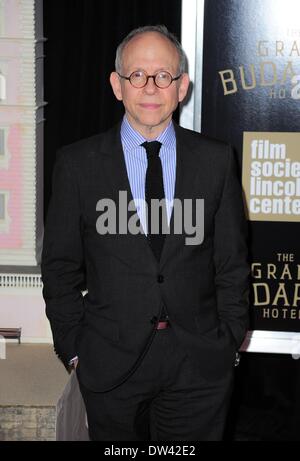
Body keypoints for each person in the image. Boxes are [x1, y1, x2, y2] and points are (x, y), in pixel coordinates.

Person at [41, 25, 249, 441]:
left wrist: (226, 340)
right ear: (117, 85)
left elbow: (232, 264)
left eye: (163, 76)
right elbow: (59, 268)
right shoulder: (78, 165)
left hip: (198, 364)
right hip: (109, 361)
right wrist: (76, 350)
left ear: (182, 87)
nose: (150, 87)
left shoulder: (216, 161)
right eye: (137, 75)